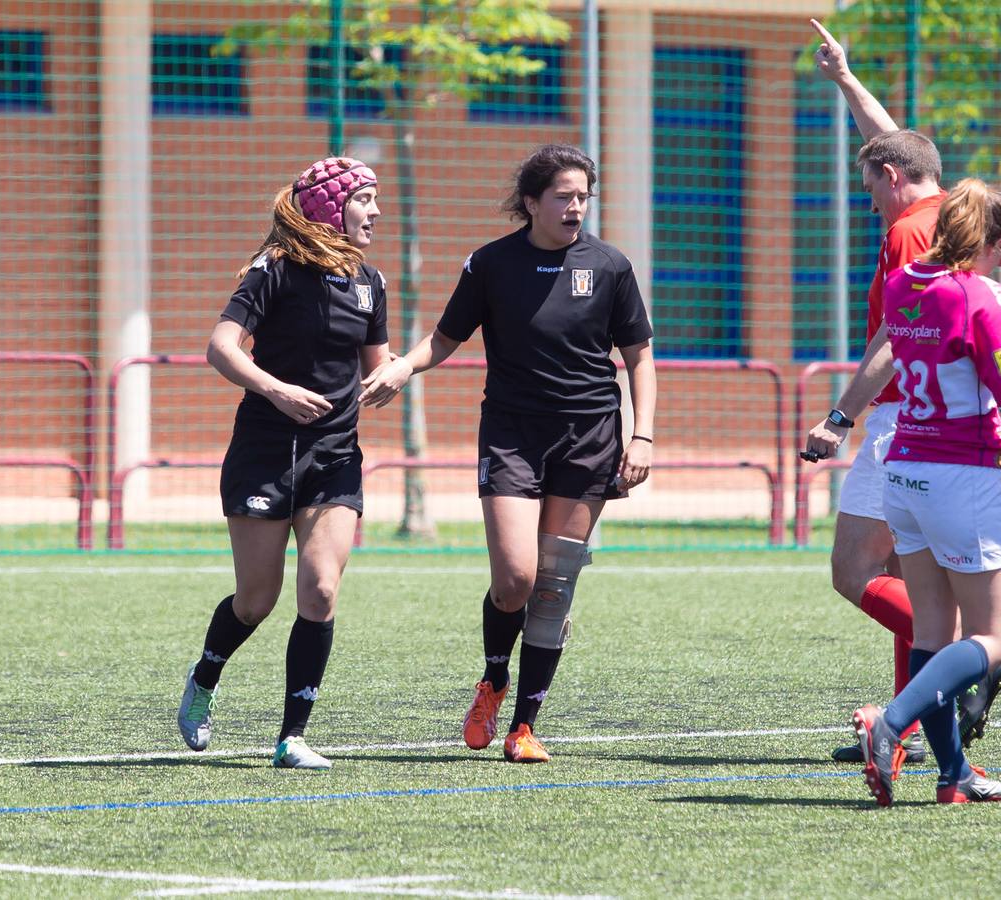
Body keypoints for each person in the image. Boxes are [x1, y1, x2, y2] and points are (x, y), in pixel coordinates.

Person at [361, 144, 656, 763]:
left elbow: (638, 358)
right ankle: (493, 681)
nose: (576, 207)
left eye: (583, 196)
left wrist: (643, 434)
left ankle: (525, 725)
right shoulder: (491, 264)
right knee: (516, 578)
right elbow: (444, 339)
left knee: (554, 586)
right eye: (563, 196)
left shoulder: (610, 265)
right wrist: (401, 369)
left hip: (590, 435)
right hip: (512, 434)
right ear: (531, 203)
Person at [803, 20, 1001, 762]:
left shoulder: (911, 234)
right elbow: (898, 146)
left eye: (869, 181)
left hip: (910, 428)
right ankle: (931, 720)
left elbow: (891, 341)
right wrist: (846, 78)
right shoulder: (939, 204)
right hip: (942, 436)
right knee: (906, 583)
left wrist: (840, 416)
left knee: (856, 572)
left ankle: (954, 675)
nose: (866, 193)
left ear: (894, 182)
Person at [848, 179, 1001, 806]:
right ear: (998, 242)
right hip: (964, 475)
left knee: (933, 631)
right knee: (994, 637)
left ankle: (953, 774)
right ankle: (893, 720)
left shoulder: (906, 284)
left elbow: (933, 304)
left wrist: (985, 253)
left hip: (904, 469)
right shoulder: (983, 297)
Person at [175, 157, 391, 770]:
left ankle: (292, 736)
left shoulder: (370, 282)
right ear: (330, 208)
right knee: (256, 600)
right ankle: (205, 677)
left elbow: (376, 364)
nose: (376, 212)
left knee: (320, 589)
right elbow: (221, 348)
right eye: (365, 200)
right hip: (266, 453)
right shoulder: (273, 271)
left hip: (336, 455)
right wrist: (276, 389)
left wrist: (393, 375)